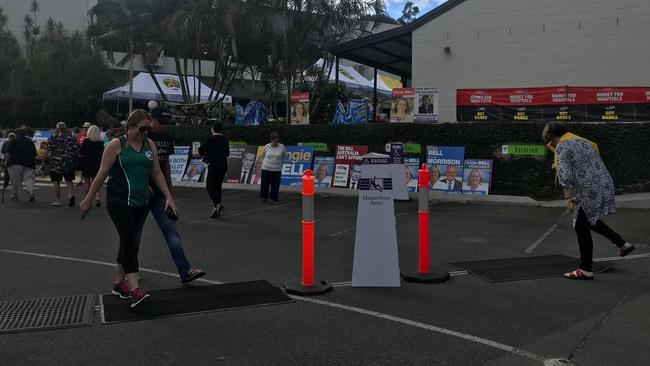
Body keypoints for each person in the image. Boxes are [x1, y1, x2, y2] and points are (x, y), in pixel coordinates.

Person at [80, 109, 177, 309]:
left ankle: (118, 283)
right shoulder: (116, 145)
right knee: (130, 240)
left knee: (128, 240)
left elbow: (157, 173)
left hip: (141, 202)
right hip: (119, 200)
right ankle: (134, 289)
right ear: (130, 126)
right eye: (142, 129)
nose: (145, 133)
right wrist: (88, 199)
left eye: (148, 129)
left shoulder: (149, 145)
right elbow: (101, 174)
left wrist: (169, 197)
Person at [543, 121, 635, 280]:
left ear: (553, 137)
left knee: (581, 226)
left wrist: (568, 197)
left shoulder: (562, 146)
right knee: (589, 219)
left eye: (550, 141)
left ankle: (585, 269)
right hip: (603, 183)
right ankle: (622, 244)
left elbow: (566, 176)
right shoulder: (581, 141)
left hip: (586, 189)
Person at [146, 109, 206, 283]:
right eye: (161, 122)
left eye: (165, 123)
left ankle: (185, 271)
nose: (163, 126)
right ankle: (128, 270)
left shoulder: (165, 138)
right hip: (142, 191)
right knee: (133, 233)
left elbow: (165, 166)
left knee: (171, 231)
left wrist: (170, 194)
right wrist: (144, 184)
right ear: (151, 120)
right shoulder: (143, 136)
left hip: (159, 192)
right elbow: (138, 164)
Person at [198, 122, 229, 218]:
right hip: (223, 165)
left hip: (213, 165)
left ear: (213, 129)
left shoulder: (210, 139)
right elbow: (227, 153)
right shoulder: (225, 139)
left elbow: (200, 149)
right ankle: (216, 210)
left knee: (209, 186)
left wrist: (206, 155)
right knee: (218, 186)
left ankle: (217, 204)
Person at [45, 122, 78, 207]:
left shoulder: (52, 138)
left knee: (56, 181)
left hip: (56, 162)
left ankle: (58, 200)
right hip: (68, 162)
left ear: (57, 128)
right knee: (69, 181)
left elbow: (47, 151)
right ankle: (71, 195)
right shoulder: (71, 138)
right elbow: (76, 150)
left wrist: (45, 161)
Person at [4, 129, 37, 202]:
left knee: (15, 180)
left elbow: (7, 152)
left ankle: (14, 195)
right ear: (25, 134)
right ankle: (31, 192)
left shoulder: (13, 141)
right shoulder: (30, 142)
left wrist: (6, 162)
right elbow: (34, 154)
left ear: (17, 134)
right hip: (29, 163)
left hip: (15, 163)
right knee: (29, 179)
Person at [79, 125, 105, 207]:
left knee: (86, 181)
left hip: (86, 163)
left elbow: (81, 152)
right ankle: (98, 198)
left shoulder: (86, 141)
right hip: (97, 163)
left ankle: (87, 199)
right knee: (96, 181)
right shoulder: (100, 143)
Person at [258, 132, 286, 203]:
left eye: (277, 140)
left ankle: (274, 198)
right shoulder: (267, 146)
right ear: (271, 140)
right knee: (264, 184)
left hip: (277, 169)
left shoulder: (282, 147)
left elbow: (284, 156)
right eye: (275, 140)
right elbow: (263, 156)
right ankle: (264, 198)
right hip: (266, 169)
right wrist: (265, 164)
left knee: (275, 185)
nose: (276, 142)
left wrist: (279, 164)